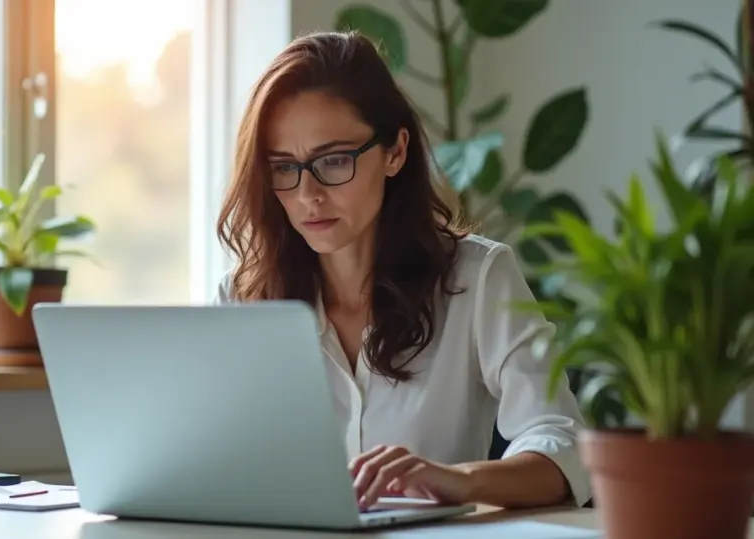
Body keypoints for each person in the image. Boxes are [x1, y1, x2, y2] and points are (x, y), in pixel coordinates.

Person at [213, 31, 590, 511]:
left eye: (333, 161)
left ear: (395, 152)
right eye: (284, 167)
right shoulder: (243, 298)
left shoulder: (476, 279)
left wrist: (459, 480)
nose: (308, 194)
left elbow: (562, 443)